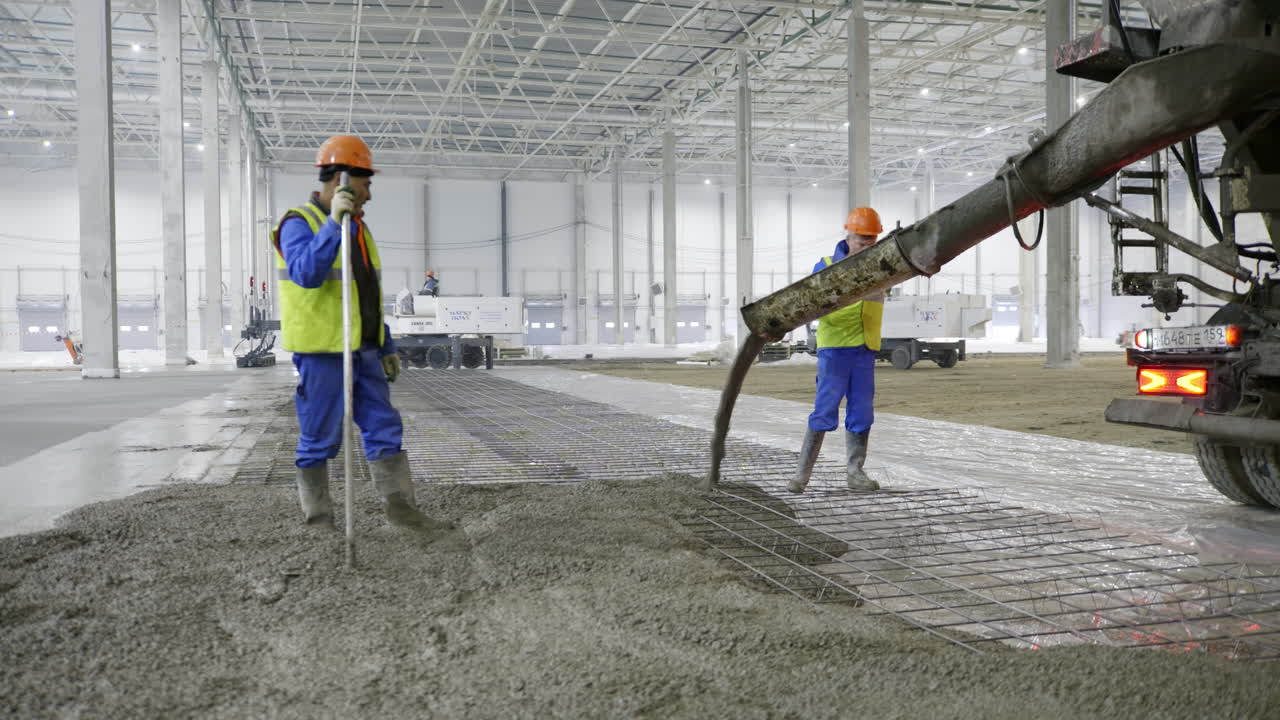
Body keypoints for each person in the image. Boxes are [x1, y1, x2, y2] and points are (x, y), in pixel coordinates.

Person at [272, 134, 448, 531]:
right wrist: (334, 224)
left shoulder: (360, 229)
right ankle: (318, 520)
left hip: (364, 350)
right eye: (366, 183)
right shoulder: (299, 223)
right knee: (319, 435)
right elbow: (306, 274)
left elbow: (365, 294)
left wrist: (385, 343)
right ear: (344, 179)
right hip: (323, 353)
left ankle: (401, 512)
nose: (369, 194)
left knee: (384, 427)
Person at [789, 207, 885, 493]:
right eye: (861, 238)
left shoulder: (880, 265)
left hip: (864, 348)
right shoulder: (827, 266)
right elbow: (817, 305)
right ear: (848, 235)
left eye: (872, 239)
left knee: (862, 412)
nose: (867, 244)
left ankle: (855, 473)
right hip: (836, 350)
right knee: (824, 410)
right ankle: (801, 476)